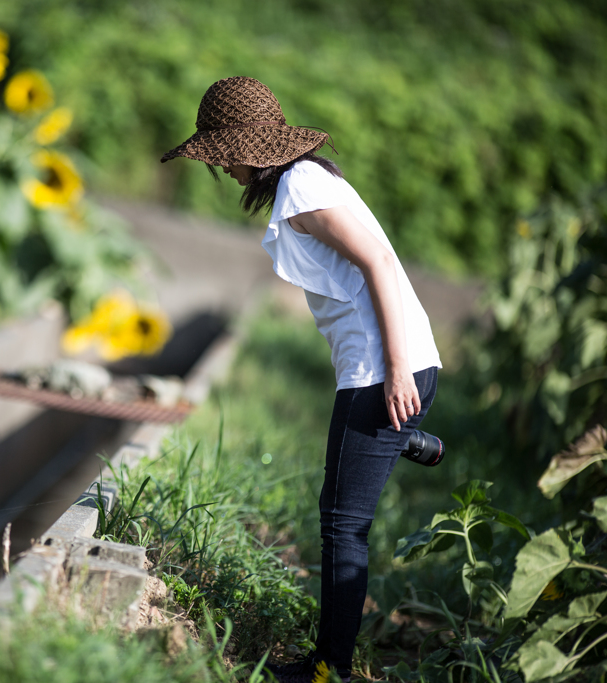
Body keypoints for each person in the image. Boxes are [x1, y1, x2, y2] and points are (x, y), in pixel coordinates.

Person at [161, 76, 441, 682]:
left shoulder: (300, 186)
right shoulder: (308, 180)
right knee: (345, 513)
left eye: (219, 153)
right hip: (390, 363)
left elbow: (381, 262)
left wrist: (394, 368)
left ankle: (330, 669)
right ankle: (331, 660)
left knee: (343, 523)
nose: (223, 169)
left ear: (241, 148)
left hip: (382, 368)